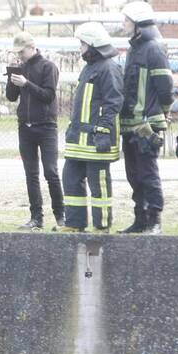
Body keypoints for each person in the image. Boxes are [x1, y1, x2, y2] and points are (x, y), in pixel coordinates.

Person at [59, 22, 124, 233]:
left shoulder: (108, 69)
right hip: (79, 140)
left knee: (99, 182)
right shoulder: (90, 68)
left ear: (93, 45)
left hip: (96, 139)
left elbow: (113, 103)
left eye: (83, 43)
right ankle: (74, 223)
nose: (80, 47)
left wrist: (103, 131)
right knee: (70, 177)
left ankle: (101, 225)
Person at [118, 1, 174, 234]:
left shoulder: (153, 49)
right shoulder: (134, 50)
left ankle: (155, 220)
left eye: (126, 21)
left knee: (148, 173)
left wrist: (163, 113)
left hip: (146, 126)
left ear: (138, 25)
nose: (123, 25)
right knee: (133, 174)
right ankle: (140, 219)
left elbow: (165, 89)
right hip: (131, 125)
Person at [6, 31, 63, 230]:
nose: (20, 55)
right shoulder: (20, 67)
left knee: (51, 172)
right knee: (31, 174)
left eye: (21, 52)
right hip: (25, 127)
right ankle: (36, 218)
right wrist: (12, 72)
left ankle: (60, 216)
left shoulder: (48, 67)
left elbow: (48, 96)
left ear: (32, 47)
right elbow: (11, 97)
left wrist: (26, 84)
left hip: (46, 126)